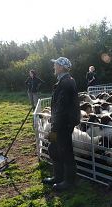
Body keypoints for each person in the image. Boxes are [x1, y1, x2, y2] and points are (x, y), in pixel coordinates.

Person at [42, 57, 80, 191]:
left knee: (66, 152)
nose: (54, 66)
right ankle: (58, 177)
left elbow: (62, 107)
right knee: (53, 148)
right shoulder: (62, 81)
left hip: (63, 125)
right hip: (57, 124)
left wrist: (56, 123)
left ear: (62, 67)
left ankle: (69, 182)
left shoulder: (67, 82)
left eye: (56, 65)